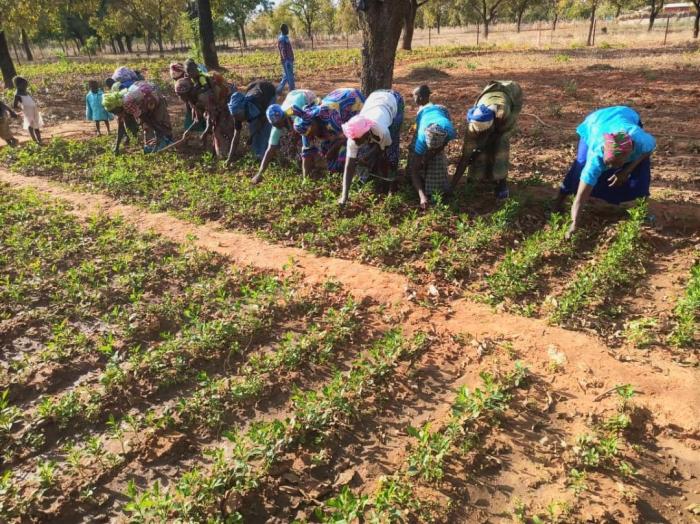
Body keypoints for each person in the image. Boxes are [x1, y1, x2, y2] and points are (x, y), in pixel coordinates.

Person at [556, 105, 656, 238]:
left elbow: (648, 149)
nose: (611, 167)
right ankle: (559, 199)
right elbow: (580, 197)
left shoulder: (640, 140)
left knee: (641, 170)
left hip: (625, 114)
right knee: (579, 170)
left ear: (630, 152)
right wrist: (573, 224)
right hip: (595, 122)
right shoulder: (596, 157)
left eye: (616, 163)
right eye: (608, 163)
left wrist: (626, 171)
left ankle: (641, 211)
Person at [452, 80, 522, 200]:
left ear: (492, 123)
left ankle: (501, 183)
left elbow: (496, 133)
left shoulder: (502, 113)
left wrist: (480, 148)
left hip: (512, 94)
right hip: (489, 96)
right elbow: (465, 157)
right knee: (478, 148)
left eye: (484, 131)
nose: (480, 134)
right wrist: (452, 185)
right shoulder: (472, 126)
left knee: (500, 145)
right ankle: (476, 176)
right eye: (479, 132)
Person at [338, 89, 404, 205]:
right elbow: (349, 166)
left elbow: (384, 148)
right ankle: (375, 176)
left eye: (358, 140)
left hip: (393, 101)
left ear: (366, 133)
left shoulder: (382, 131)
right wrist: (344, 195)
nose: (356, 143)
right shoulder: (354, 135)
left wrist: (370, 156)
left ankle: (391, 184)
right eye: (355, 140)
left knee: (390, 151)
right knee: (366, 152)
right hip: (375, 97)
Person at [293, 87, 365, 179]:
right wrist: (305, 180)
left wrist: (334, 149)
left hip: (353, 104)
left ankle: (350, 175)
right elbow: (306, 154)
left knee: (348, 149)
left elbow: (349, 136)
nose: (311, 137)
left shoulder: (331, 117)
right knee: (325, 149)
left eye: (311, 133)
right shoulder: (306, 126)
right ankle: (336, 174)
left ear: (313, 124)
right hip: (338, 111)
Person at [254, 88, 318, 184]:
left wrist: (305, 180)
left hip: (307, 97)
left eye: (281, 123)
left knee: (308, 134)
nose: (280, 127)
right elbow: (270, 149)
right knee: (295, 136)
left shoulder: (294, 114)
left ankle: (308, 175)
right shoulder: (277, 124)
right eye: (276, 125)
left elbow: (305, 145)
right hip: (292, 96)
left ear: (284, 117)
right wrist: (260, 173)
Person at [409, 101, 456, 209]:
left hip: (441, 111)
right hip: (424, 114)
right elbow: (414, 169)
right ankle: (420, 187)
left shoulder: (449, 130)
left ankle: (435, 185)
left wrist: (431, 155)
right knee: (415, 163)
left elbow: (443, 144)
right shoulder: (421, 138)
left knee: (437, 162)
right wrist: (422, 197)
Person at [175, 73, 234, 158]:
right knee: (215, 130)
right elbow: (197, 119)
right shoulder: (191, 99)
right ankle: (218, 152)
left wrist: (205, 133)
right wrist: (188, 131)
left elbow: (212, 118)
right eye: (178, 95)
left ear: (187, 93)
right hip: (215, 107)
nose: (180, 97)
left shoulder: (203, 96)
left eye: (181, 95)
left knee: (220, 129)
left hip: (226, 101)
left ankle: (228, 153)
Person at [226, 80, 277, 165]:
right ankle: (257, 155)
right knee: (254, 127)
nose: (238, 118)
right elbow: (236, 137)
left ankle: (266, 156)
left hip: (268, 92)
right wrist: (229, 158)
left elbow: (262, 121)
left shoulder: (256, 105)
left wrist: (251, 136)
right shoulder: (237, 114)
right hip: (254, 88)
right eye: (235, 116)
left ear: (244, 109)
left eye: (239, 116)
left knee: (266, 128)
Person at [122, 81, 173, 153]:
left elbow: (151, 119)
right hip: (147, 105)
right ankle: (156, 142)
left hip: (158, 103)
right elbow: (144, 118)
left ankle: (167, 139)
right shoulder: (129, 102)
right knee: (148, 126)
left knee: (160, 121)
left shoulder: (149, 100)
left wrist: (158, 131)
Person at [102, 88, 141, 155]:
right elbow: (120, 130)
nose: (115, 114)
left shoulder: (130, 106)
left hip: (149, 106)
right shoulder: (120, 112)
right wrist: (116, 147)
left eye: (115, 112)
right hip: (134, 114)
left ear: (120, 108)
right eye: (113, 113)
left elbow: (143, 120)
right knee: (131, 127)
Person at [12, 76, 43, 146]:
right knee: (31, 125)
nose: (26, 86)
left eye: (26, 85)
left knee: (36, 125)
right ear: (18, 85)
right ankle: (35, 141)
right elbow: (14, 105)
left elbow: (30, 100)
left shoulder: (25, 92)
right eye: (24, 85)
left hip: (34, 110)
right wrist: (22, 109)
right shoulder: (17, 94)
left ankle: (40, 140)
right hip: (28, 111)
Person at [276, 24, 295, 95]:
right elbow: (283, 50)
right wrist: (287, 61)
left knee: (286, 76)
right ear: (283, 30)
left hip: (288, 60)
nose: (288, 30)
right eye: (287, 29)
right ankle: (292, 92)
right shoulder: (282, 39)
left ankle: (278, 90)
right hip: (287, 61)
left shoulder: (284, 37)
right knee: (290, 77)